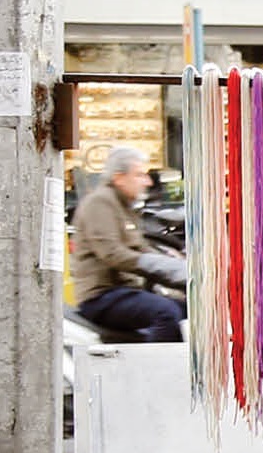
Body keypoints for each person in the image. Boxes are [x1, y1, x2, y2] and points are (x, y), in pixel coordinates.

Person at [70, 146, 184, 342]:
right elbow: (113, 254)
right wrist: (158, 265)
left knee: (188, 308)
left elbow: (140, 248)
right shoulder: (100, 203)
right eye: (140, 175)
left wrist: (175, 267)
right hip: (103, 296)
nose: (147, 182)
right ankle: (156, 370)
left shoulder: (125, 206)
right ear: (119, 177)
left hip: (126, 292)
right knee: (166, 313)